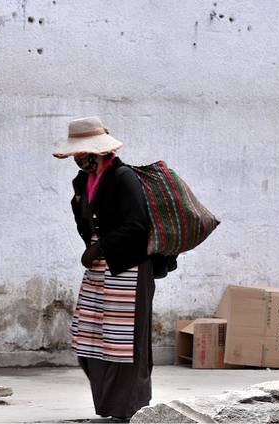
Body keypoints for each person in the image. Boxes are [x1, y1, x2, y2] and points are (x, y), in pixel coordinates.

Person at [53, 116, 160, 421]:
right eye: (75, 153)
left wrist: (100, 248)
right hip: (100, 267)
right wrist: (94, 248)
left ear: (98, 151)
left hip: (129, 267)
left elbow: (138, 225)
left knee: (125, 342)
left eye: (82, 152)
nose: (78, 158)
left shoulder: (123, 177)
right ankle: (110, 406)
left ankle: (131, 409)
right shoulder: (82, 182)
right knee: (91, 336)